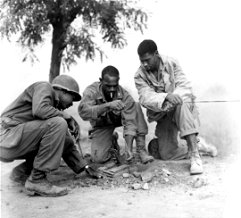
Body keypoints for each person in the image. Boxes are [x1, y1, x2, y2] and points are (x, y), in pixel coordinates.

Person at [0, 74, 100, 197]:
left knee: (59, 128)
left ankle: (21, 173)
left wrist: (84, 166)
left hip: (12, 140)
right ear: (63, 91)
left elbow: (66, 142)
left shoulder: (52, 108)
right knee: (59, 123)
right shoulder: (44, 87)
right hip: (5, 137)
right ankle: (37, 180)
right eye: (72, 98)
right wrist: (66, 117)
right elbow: (40, 110)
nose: (71, 104)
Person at [134, 39, 216, 175]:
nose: (144, 64)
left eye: (147, 60)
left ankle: (195, 156)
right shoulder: (139, 75)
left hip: (182, 110)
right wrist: (165, 97)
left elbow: (184, 86)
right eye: (142, 61)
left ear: (156, 54)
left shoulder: (172, 63)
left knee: (181, 103)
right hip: (162, 114)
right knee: (167, 154)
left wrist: (173, 98)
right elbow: (144, 97)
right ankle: (198, 145)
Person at [78, 65, 154, 164]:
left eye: (115, 85)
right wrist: (108, 105)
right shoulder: (91, 91)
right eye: (108, 86)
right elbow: (84, 113)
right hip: (102, 125)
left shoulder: (124, 95)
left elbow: (130, 122)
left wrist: (128, 149)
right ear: (101, 80)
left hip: (119, 119)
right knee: (98, 159)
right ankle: (112, 141)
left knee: (135, 106)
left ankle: (141, 150)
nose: (112, 89)